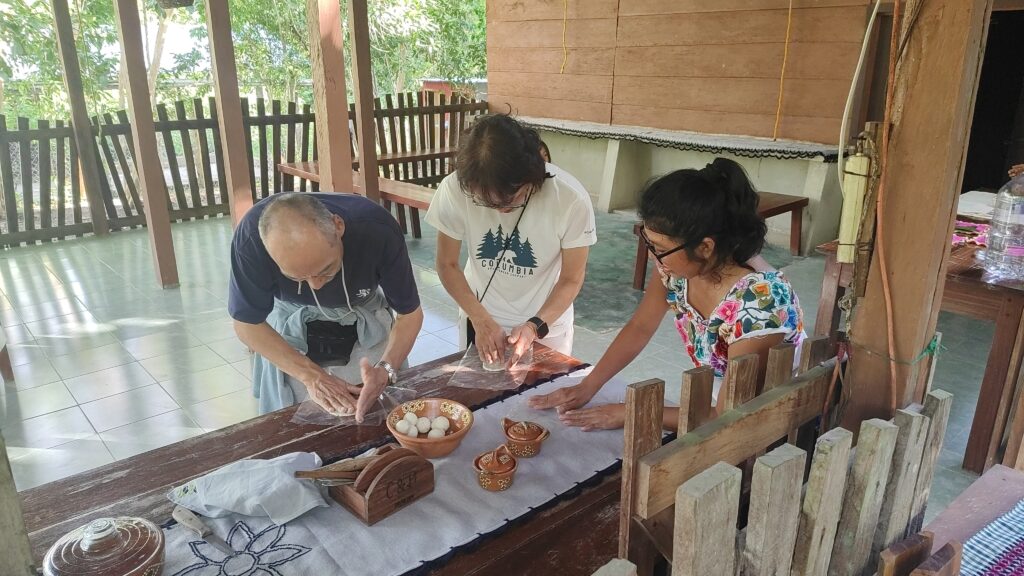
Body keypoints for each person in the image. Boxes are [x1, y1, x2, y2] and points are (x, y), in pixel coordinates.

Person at [529, 158, 806, 431]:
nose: (652, 256)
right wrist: (588, 386)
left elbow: (726, 416)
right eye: (647, 240)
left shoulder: (760, 306)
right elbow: (640, 326)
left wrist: (632, 412)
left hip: (774, 416)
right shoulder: (677, 270)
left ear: (705, 247)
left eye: (659, 247)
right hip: (725, 397)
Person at [229, 192, 424, 420]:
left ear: (338, 225)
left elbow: (409, 314)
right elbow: (247, 324)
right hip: (292, 316)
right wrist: (311, 376)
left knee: (380, 408)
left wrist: (386, 368)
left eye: (325, 270)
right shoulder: (250, 241)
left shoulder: (377, 230)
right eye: (298, 278)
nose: (316, 285)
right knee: (300, 416)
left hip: (361, 310)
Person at [426, 114, 596, 365]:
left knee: (542, 397)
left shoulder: (570, 199)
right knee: (478, 397)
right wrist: (480, 319)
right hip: (480, 315)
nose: (500, 211)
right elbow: (447, 264)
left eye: (511, 200)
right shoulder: (454, 189)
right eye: (485, 202)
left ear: (531, 177)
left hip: (546, 323)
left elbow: (572, 278)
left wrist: (533, 326)